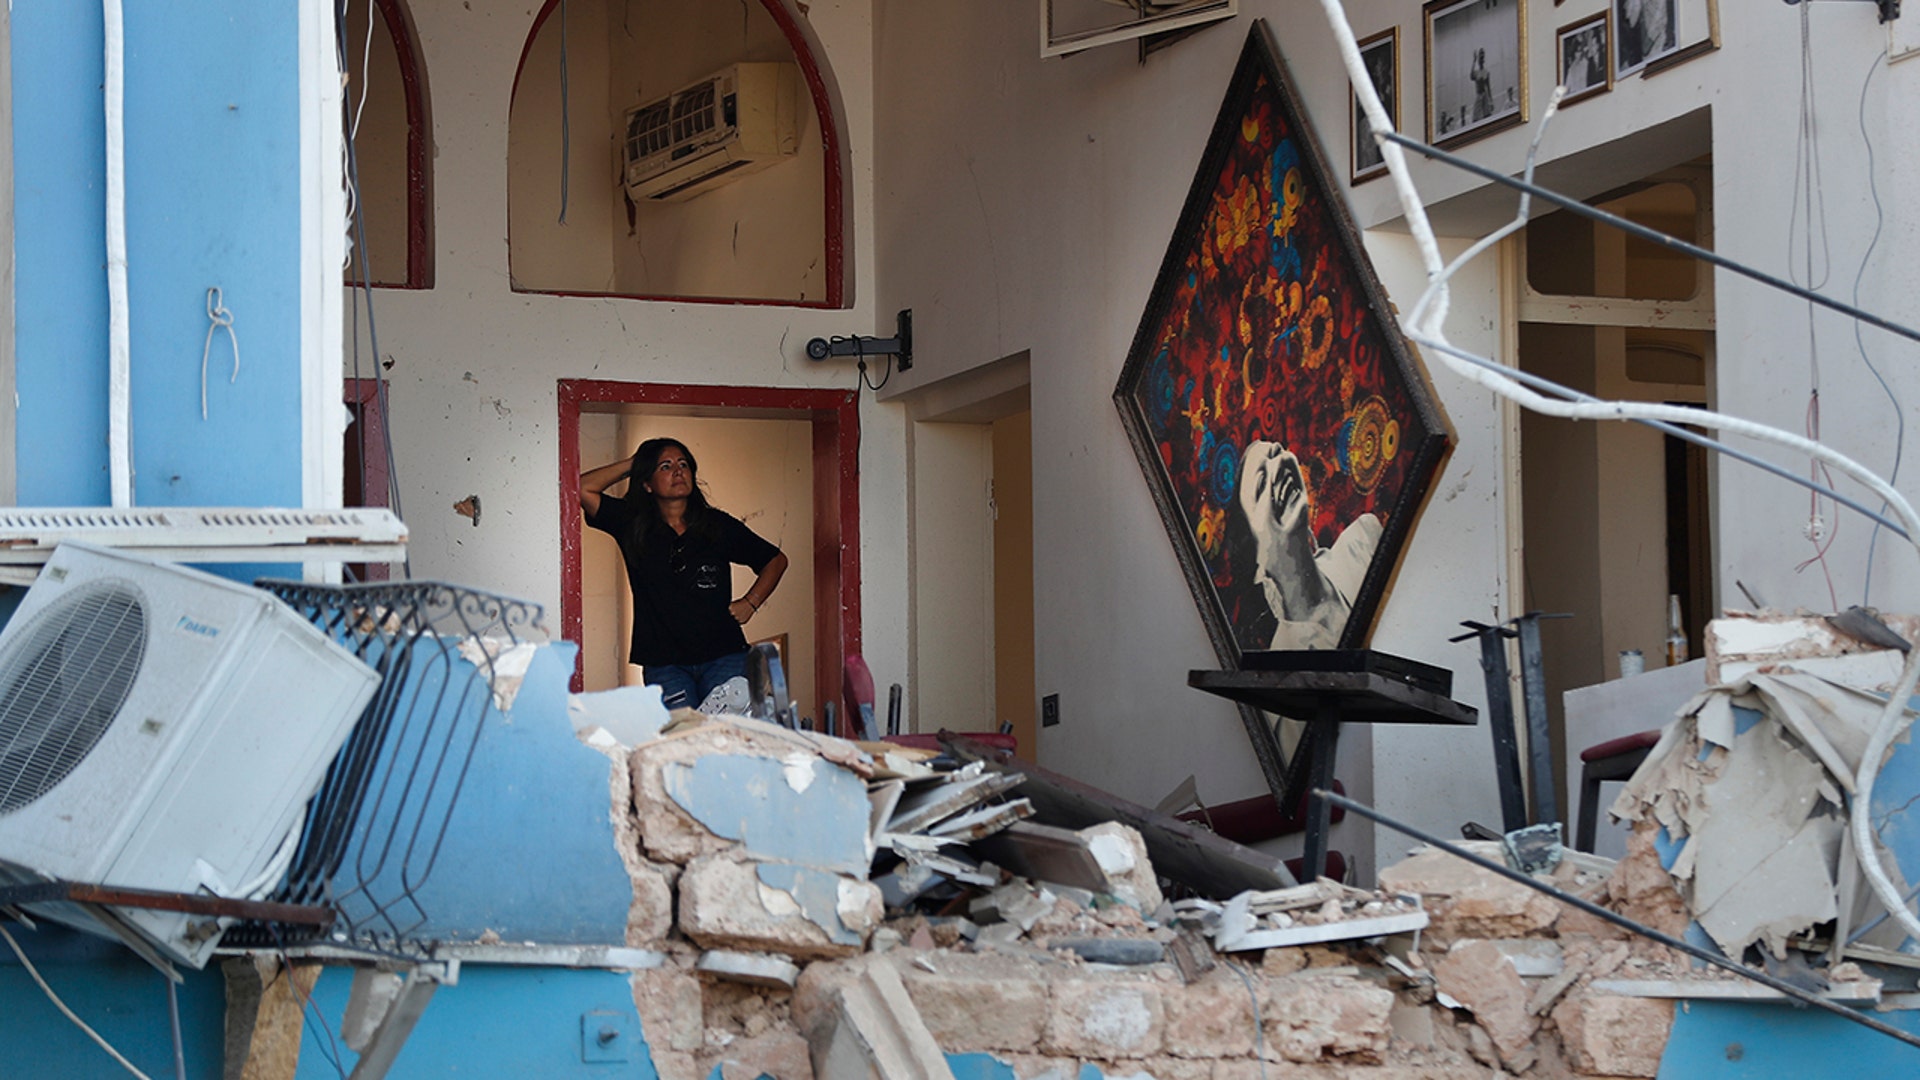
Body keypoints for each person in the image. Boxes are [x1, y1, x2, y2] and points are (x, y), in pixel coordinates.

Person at [580, 437, 789, 709]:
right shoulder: (632, 524)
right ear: (647, 483)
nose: (678, 471)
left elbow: (775, 560)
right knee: (683, 740)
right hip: (664, 663)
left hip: (723, 655)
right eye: (665, 466)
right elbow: (582, 488)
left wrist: (751, 602)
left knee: (726, 739)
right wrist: (636, 462)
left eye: (683, 464)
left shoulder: (716, 525)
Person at [1237, 439, 1381, 650]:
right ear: (1255, 559)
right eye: (1261, 484)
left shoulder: (1363, 543)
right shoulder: (1283, 658)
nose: (1279, 464)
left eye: (1278, 453)